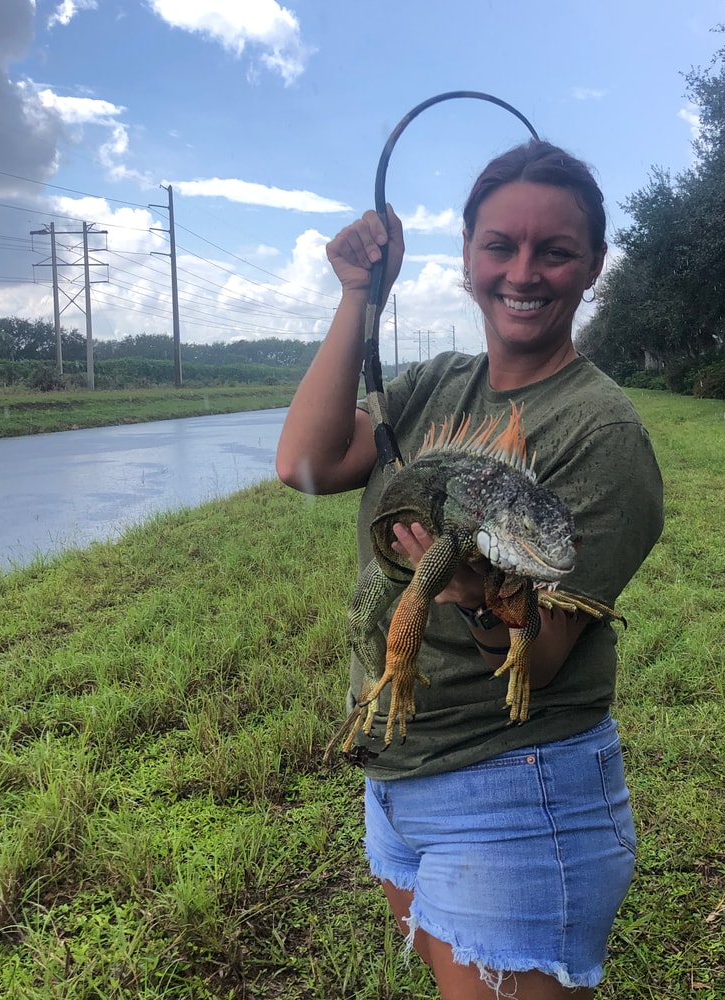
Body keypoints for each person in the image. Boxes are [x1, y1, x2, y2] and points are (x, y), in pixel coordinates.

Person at [276, 139, 664, 999]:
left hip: (515, 793)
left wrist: (465, 589)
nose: (524, 271)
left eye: (555, 250)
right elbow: (303, 464)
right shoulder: (433, 385)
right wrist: (356, 301)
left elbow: (546, 653)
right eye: (500, 245)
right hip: (396, 775)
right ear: (466, 257)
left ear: (593, 264)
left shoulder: (602, 433)